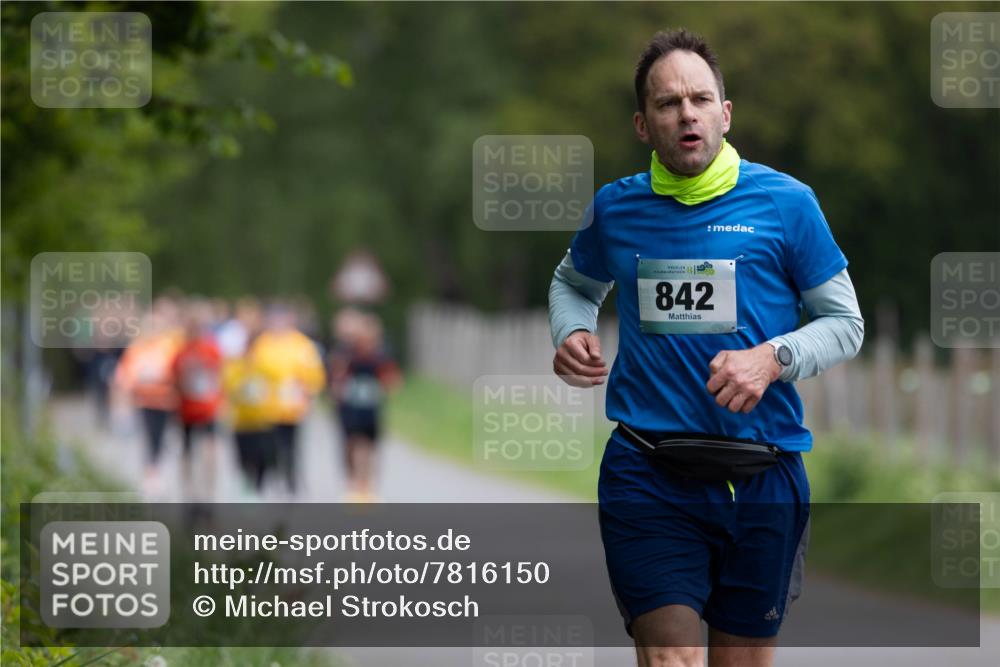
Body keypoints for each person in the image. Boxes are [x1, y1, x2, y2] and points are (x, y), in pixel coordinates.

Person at [547, 30, 864, 667]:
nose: (686, 113)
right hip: (649, 470)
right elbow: (573, 283)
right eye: (668, 104)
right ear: (643, 124)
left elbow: (845, 323)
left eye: (700, 99)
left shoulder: (786, 204)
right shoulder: (616, 209)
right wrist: (571, 329)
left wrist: (771, 358)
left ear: (725, 112)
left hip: (762, 472)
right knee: (672, 659)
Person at [250, 302, 326, 496]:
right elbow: (252, 373)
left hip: (293, 407)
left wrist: (309, 398)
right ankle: (266, 482)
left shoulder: (302, 345)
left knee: (291, 448)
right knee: (268, 449)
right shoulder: (263, 344)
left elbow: (314, 375)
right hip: (267, 408)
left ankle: (291, 485)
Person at [113, 296, 183, 496]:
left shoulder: (169, 346)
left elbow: (178, 372)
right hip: (145, 401)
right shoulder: (138, 348)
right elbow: (125, 376)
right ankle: (151, 475)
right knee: (150, 438)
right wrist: (122, 405)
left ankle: (157, 472)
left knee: (162, 439)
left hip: (166, 401)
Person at [329, 309, 401, 502]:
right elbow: (337, 376)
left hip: (371, 407)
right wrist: (339, 387)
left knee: (369, 446)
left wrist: (386, 386)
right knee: (353, 444)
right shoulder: (348, 355)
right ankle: (354, 483)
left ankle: (366, 485)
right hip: (350, 407)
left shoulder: (381, 356)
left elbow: (391, 378)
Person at [172, 300, 224, 502]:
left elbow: (219, 377)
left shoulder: (208, 349)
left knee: (207, 453)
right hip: (190, 409)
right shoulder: (182, 352)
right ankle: (193, 494)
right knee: (190, 454)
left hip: (205, 408)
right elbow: (176, 380)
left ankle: (204, 495)